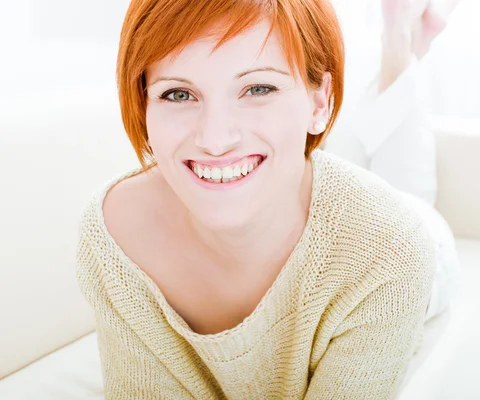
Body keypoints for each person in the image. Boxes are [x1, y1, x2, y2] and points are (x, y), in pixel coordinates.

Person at [75, 0, 435, 398]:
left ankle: (401, 41)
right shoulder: (114, 237)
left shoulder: (392, 247)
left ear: (320, 101)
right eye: (178, 94)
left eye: (258, 88)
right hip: (295, 178)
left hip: (408, 234)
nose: (215, 140)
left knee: (403, 182)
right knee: (340, 148)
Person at [326, 0, 460, 322]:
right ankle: (403, 41)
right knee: (393, 194)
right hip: (412, 240)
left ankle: (404, 42)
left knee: (355, 157)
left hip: (407, 240)